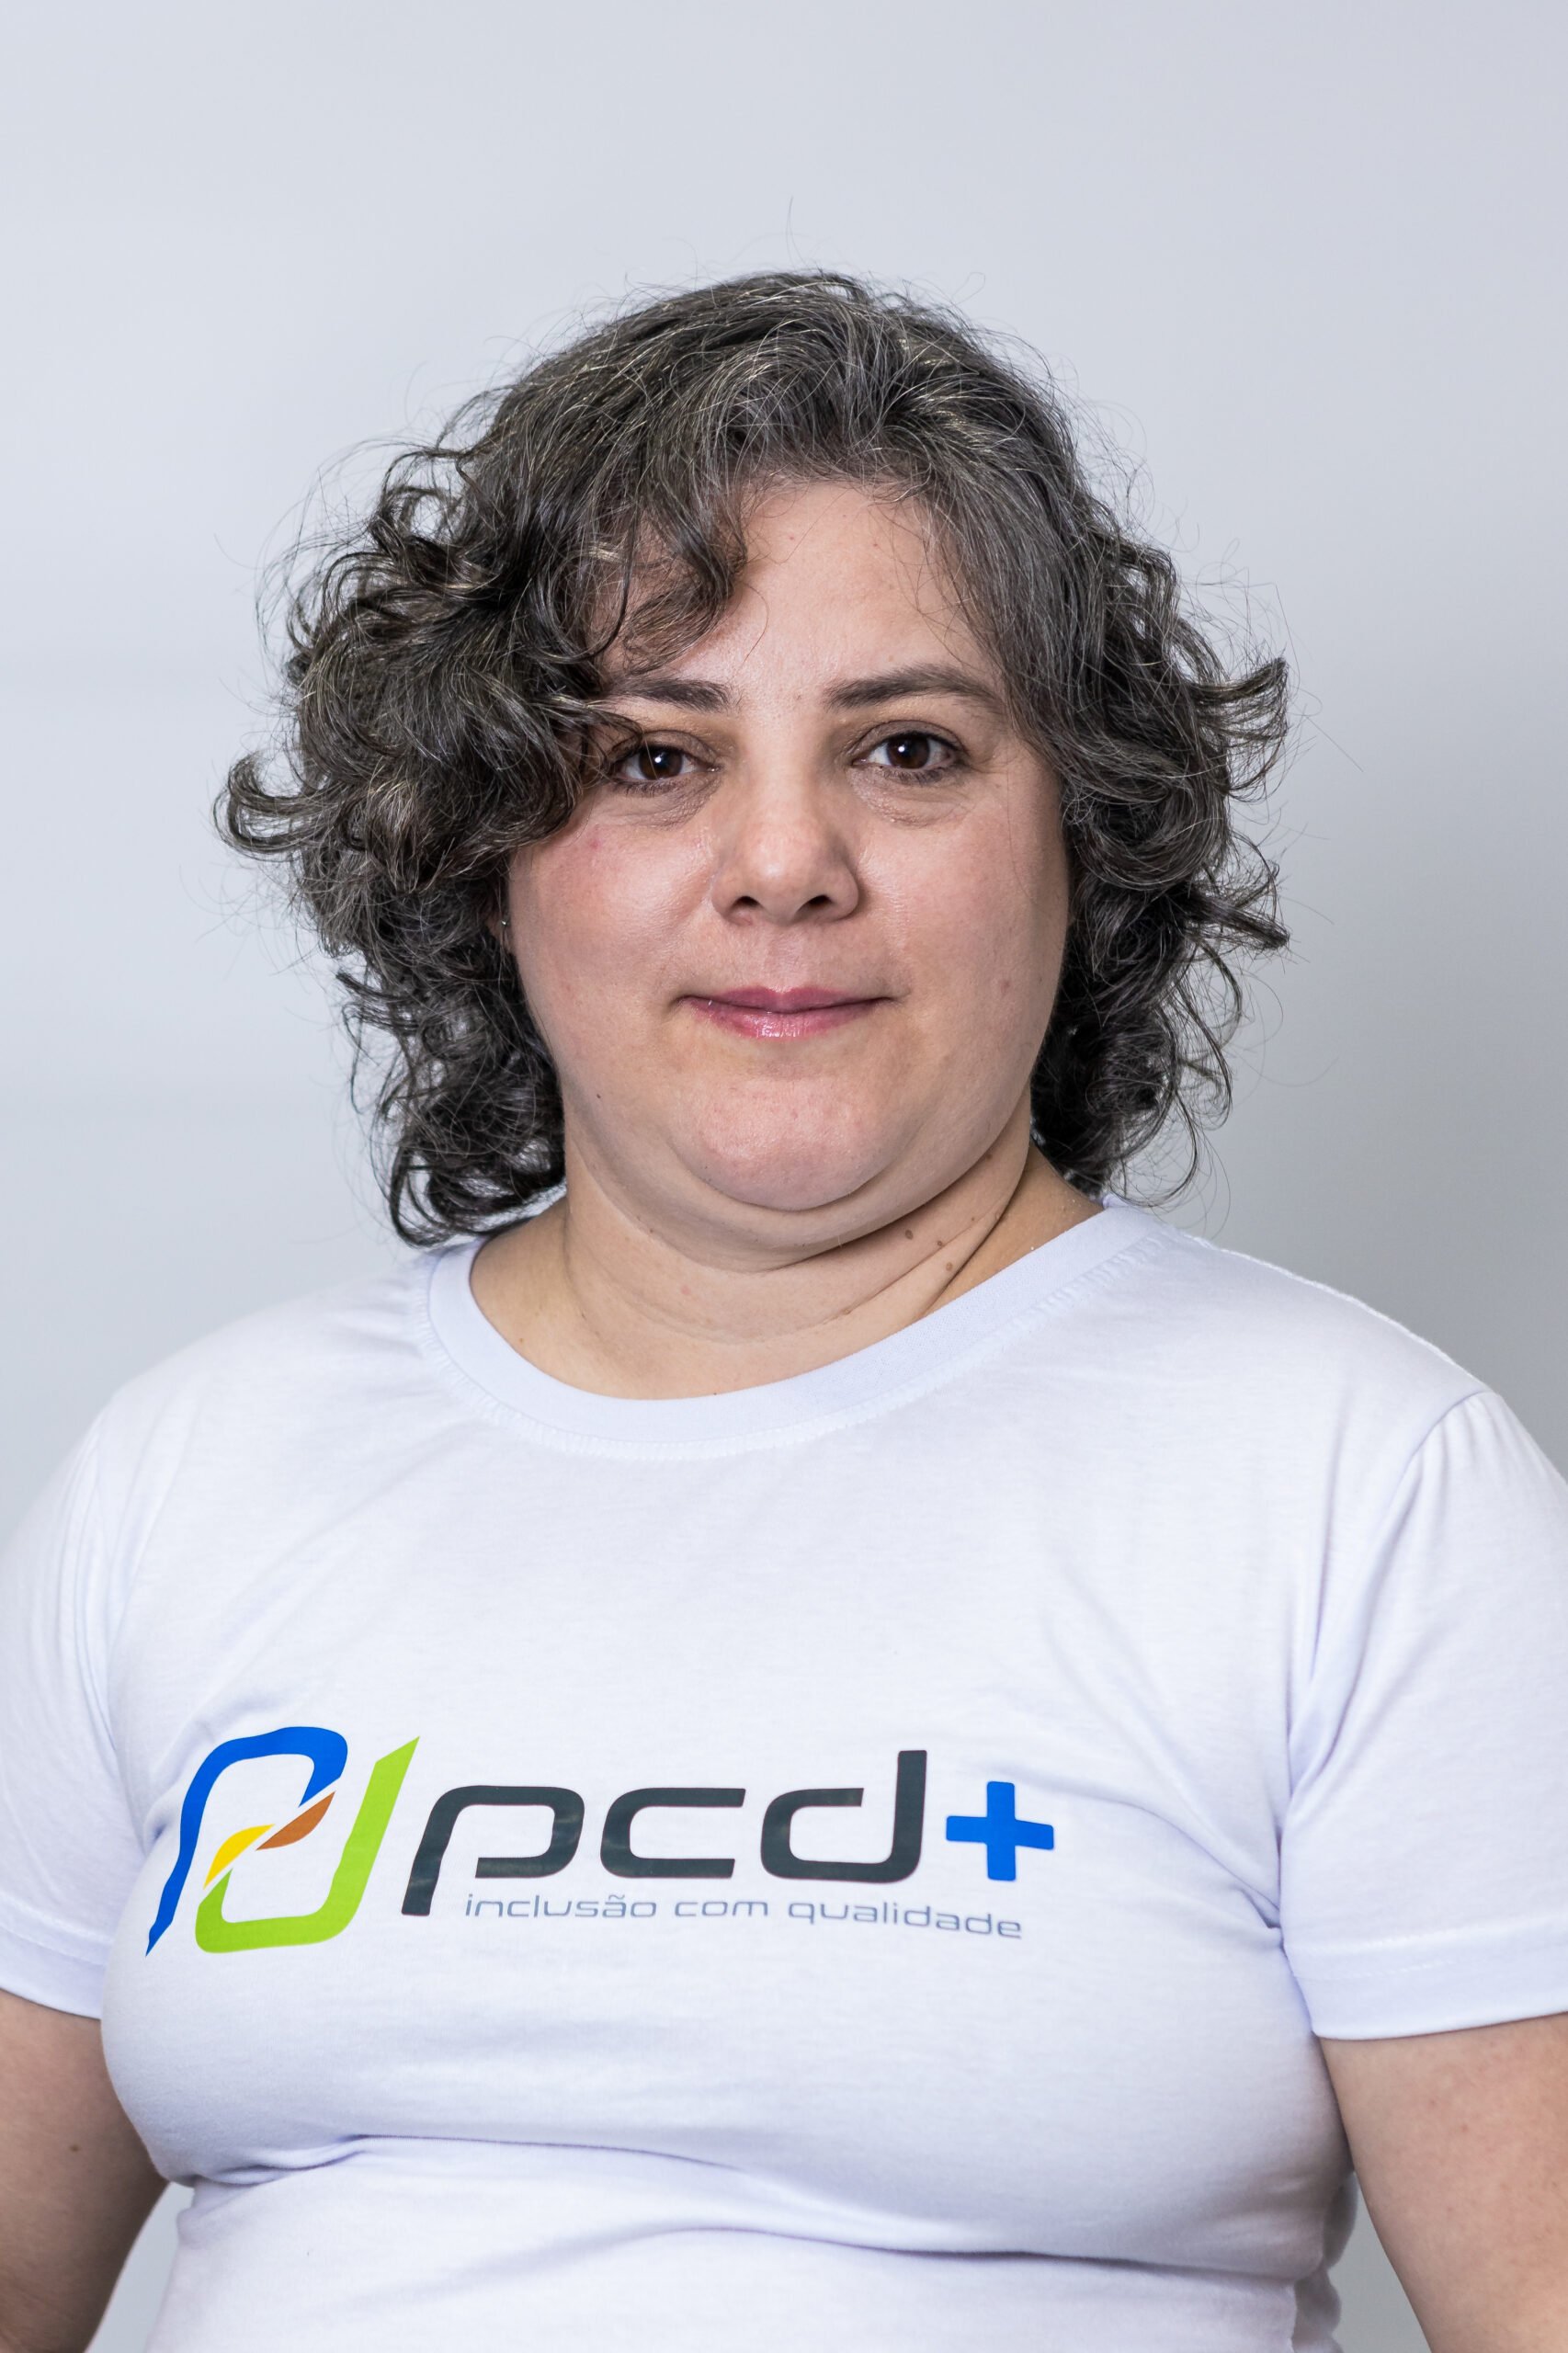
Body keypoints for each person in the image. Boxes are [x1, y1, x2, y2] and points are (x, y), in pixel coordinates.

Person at [1, 272, 1564, 2353]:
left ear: (1080, 835)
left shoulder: (1362, 1489)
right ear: (479, 846)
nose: (782, 863)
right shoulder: (195, 1475)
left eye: (906, 750)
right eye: (653, 757)